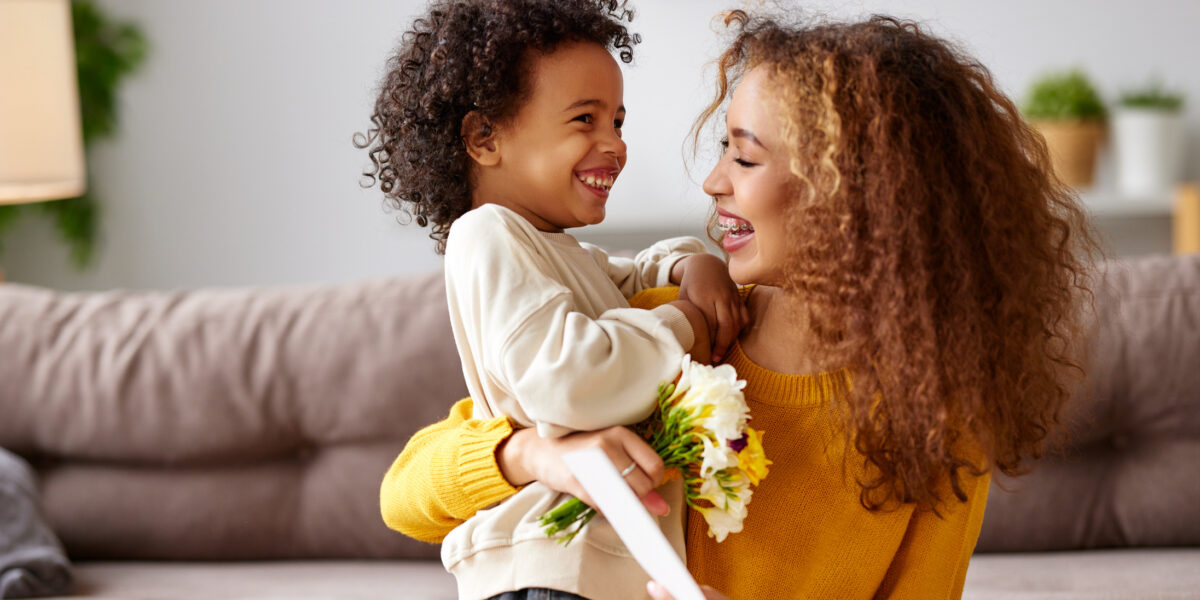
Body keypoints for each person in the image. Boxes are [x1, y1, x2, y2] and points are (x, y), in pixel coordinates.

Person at [379, 10, 1097, 600]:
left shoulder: (941, 423)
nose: (713, 182)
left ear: (854, 195)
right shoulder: (679, 332)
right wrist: (534, 456)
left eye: (745, 158)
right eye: (723, 148)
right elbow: (406, 492)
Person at [358, 1, 748, 599]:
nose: (614, 144)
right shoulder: (488, 235)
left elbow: (635, 274)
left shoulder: (559, 252)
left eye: (617, 121)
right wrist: (686, 321)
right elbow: (570, 381)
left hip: (597, 571)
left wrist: (688, 262)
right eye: (584, 120)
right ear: (483, 137)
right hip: (546, 569)